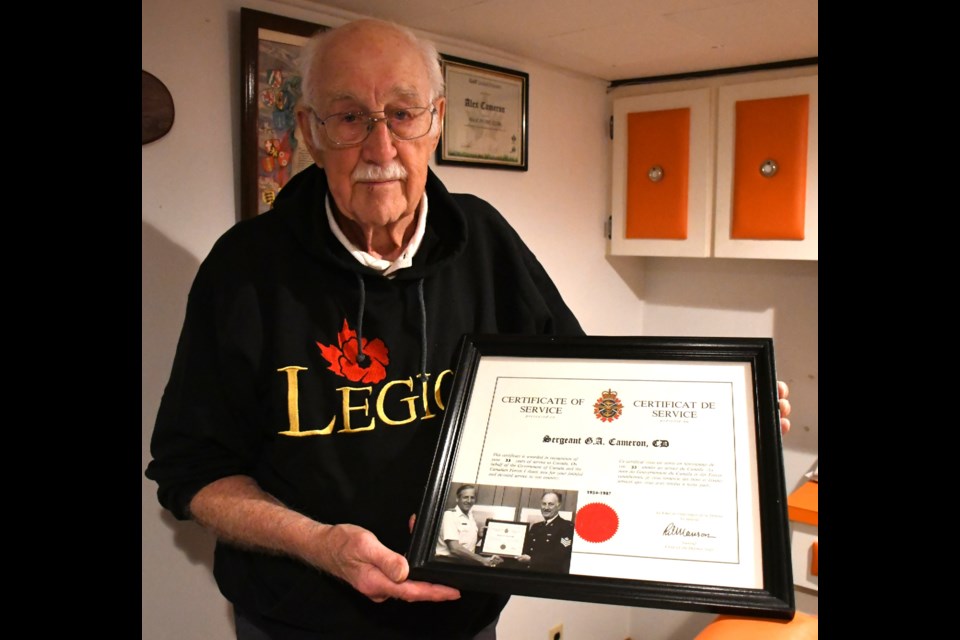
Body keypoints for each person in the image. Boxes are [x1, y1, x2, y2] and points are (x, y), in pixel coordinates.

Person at [144, 17, 792, 640]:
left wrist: (719, 420)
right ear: (311, 131)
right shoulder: (245, 268)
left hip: (463, 619)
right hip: (296, 623)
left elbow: (591, 403)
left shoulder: (485, 241)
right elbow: (194, 473)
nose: (381, 148)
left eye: (402, 114)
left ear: (437, 122)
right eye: (349, 118)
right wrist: (320, 544)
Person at [435, 484, 503, 567]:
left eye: (472, 497)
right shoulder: (450, 515)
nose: (469, 500)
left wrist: (479, 536)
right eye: (465, 497)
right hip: (448, 564)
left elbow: (466, 544)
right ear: (457, 499)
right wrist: (482, 560)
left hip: (464, 563)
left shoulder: (470, 517)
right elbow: (454, 548)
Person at [517, 491, 575, 574]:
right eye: (544, 504)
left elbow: (560, 556)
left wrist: (531, 560)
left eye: (550, 504)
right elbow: (525, 550)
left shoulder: (566, 527)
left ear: (558, 506)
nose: (546, 507)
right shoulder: (536, 527)